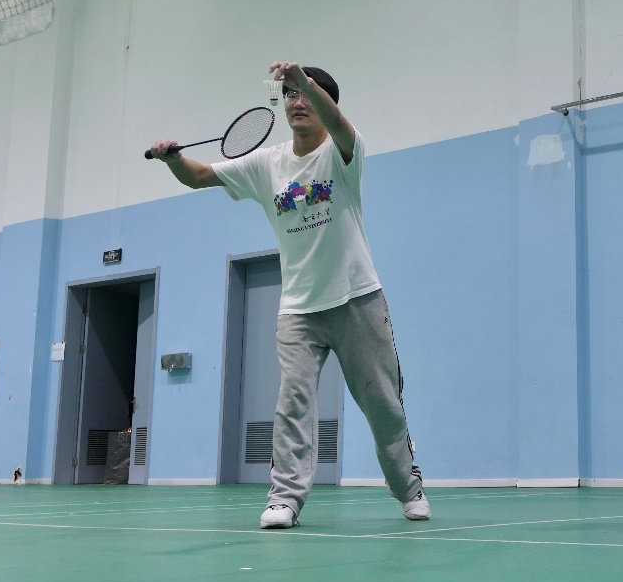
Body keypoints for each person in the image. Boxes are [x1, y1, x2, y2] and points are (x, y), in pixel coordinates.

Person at [149, 62, 428, 529]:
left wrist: (302, 76)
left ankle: (408, 488)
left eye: (306, 93)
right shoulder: (267, 164)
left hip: (358, 299)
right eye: (289, 94)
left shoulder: (344, 151)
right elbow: (199, 176)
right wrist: (172, 158)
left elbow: (339, 124)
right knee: (292, 404)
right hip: (299, 309)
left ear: (325, 101)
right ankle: (285, 498)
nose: (297, 102)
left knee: (383, 405)